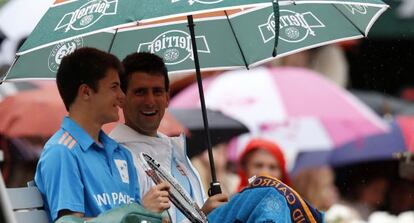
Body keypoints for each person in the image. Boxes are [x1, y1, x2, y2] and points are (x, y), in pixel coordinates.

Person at [34, 48, 166, 222]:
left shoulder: (121, 153)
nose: (121, 96)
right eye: (114, 87)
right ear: (86, 92)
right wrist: (138, 211)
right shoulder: (62, 152)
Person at [109, 52, 228, 222]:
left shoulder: (176, 150)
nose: (150, 101)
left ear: (167, 97)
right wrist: (142, 211)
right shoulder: (112, 157)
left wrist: (206, 212)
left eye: (157, 91)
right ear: (121, 98)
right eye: (140, 92)